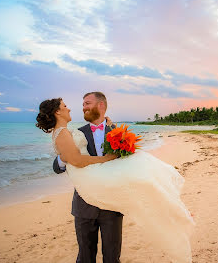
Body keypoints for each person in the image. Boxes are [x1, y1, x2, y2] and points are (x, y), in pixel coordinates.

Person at [36, 93, 195, 263]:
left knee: (112, 257)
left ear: (101, 106)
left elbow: (128, 165)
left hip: (112, 206)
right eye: (83, 104)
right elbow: (59, 163)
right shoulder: (76, 132)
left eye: (87, 103)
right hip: (84, 205)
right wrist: (63, 158)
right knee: (85, 257)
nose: (83, 107)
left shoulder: (119, 132)